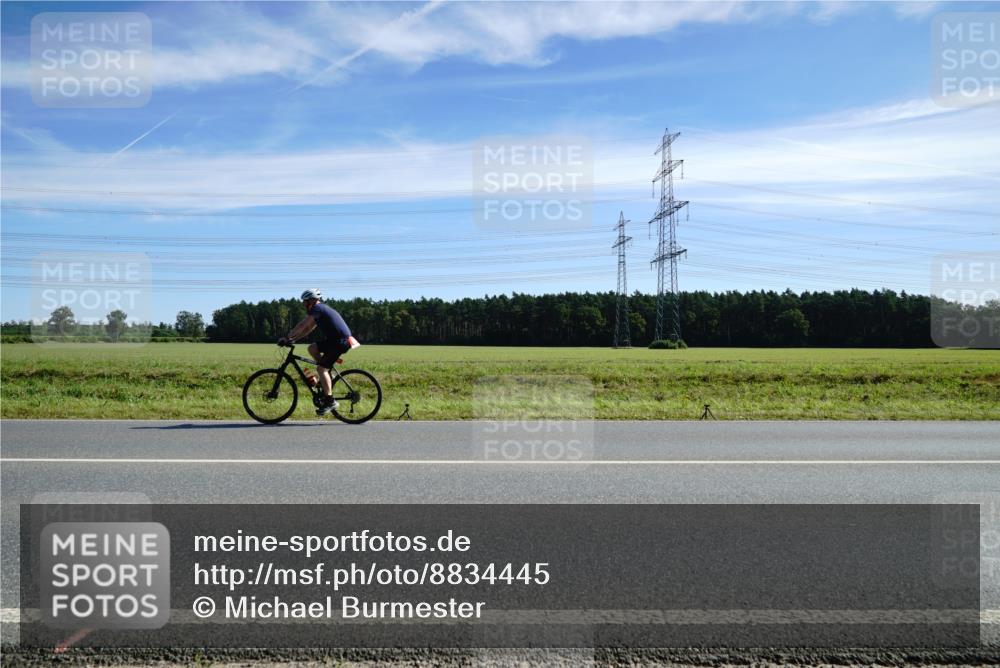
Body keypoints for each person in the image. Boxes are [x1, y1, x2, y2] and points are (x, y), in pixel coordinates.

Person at [279, 289, 357, 416]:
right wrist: (294, 339)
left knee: (321, 369)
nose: (304, 304)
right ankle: (327, 376)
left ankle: (330, 401)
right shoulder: (319, 311)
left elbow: (303, 324)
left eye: (306, 302)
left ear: (313, 301)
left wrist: (287, 337)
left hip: (340, 342)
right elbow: (308, 328)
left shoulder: (318, 308)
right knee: (312, 348)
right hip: (336, 341)